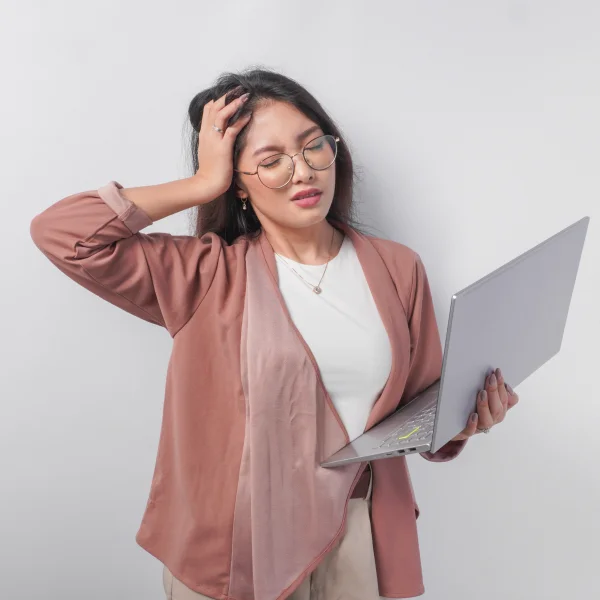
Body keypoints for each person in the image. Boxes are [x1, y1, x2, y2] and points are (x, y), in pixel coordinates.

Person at [29, 68, 519, 600]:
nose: (303, 172)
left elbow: (421, 407)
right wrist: (201, 184)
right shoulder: (206, 275)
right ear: (237, 182)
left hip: (354, 533)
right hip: (237, 543)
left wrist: (464, 421)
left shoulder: (397, 268)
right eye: (270, 161)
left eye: (313, 148)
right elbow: (64, 234)